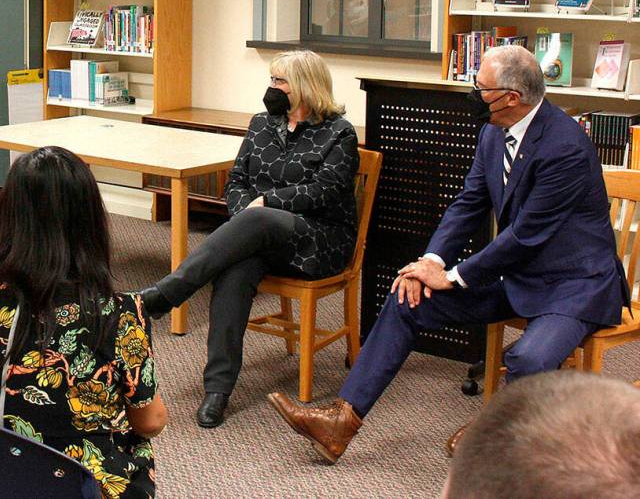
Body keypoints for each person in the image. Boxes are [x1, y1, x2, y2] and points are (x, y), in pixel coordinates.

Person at [268, 45, 631, 463]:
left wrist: (456, 277)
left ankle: (493, 433)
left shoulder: (566, 145)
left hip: (574, 284)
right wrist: (433, 263)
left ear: (512, 97)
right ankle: (341, 421)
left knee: (530, 357)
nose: (472, 94)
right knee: (407, 296)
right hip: (518, 276)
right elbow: (469, 202)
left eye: (480, 87)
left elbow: (527, 235)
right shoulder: (493, 131)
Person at [140, 50, 359, 428]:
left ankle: (164, 295)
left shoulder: (339, 133)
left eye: (279, 82)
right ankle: (217, 391)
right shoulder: (262, 124)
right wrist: (248, 212)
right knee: (234, 270)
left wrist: (267, 204)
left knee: (257, 221)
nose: (271, 88)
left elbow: (326, 191)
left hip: (318, 241)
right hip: (260, 236)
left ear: (305, 86)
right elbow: (237, 181)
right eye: (271, 80)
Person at [0, 146, 167, 499]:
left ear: (8, 215)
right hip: (73, 485)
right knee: (135, 441)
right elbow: (151, 420)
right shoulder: (118, 311)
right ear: (90, 223)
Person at [444, 371, 640, 498]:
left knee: (530, 357)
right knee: (414, 310)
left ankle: (502, 431)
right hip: (505, 304)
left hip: (567, 311)